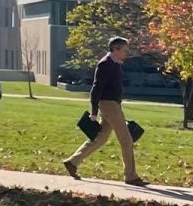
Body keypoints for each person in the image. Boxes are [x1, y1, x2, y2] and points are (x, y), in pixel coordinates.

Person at [63, 36, 146, 186]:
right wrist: (94, 111)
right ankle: (131, 176)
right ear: (115, 49)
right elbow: (96, 89)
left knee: (100, 138)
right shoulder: (105, 64)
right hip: (108, 105)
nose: (127, 53)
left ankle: (72, 162)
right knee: (126, 140)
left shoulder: (116, 64)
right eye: (125, 50)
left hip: (113, 104)